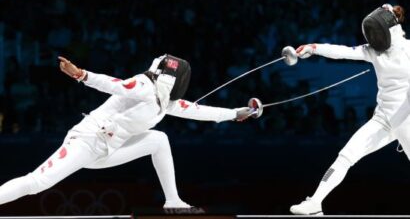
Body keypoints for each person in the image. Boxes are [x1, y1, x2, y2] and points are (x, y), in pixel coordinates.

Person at [0, 54, 260, 209]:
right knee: (36, 183)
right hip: (86, 141)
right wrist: (81, 75)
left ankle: (173, 201)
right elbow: (116, 85)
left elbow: (199, 111)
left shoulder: (164, 101)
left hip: (106, 151)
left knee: (159, 140)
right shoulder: (145, 85)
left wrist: (236, 113)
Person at [289, 4, 410, 215]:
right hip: (383, 119)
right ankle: (315, 203)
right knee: (346, 155)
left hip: (407, 118)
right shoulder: (373, 50)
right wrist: (313, 47)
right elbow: (342, 52)